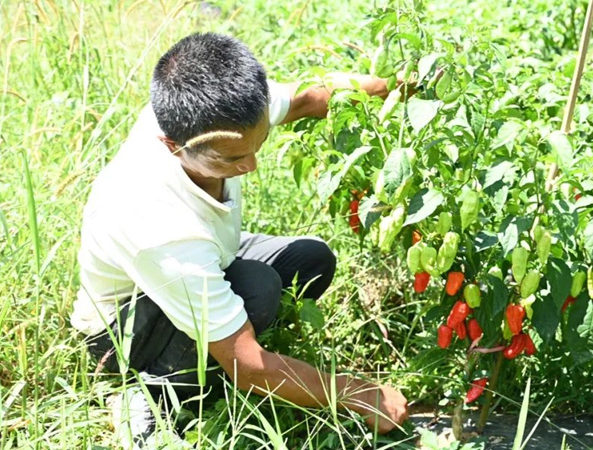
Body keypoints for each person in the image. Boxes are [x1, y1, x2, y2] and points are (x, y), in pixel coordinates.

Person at [71, 32, 410, 446]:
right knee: (258, 288)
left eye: (258, 145)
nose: (250, 166)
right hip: (122, 331)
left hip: (201, 258)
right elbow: (246, 367)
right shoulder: (158, 222)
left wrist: (397, 86)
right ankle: (152, 392)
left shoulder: (219, 108)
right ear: (172, 145)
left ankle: (224, 339)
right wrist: (355, 392)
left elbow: (308, 99)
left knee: (311, 259)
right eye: (231, 158)